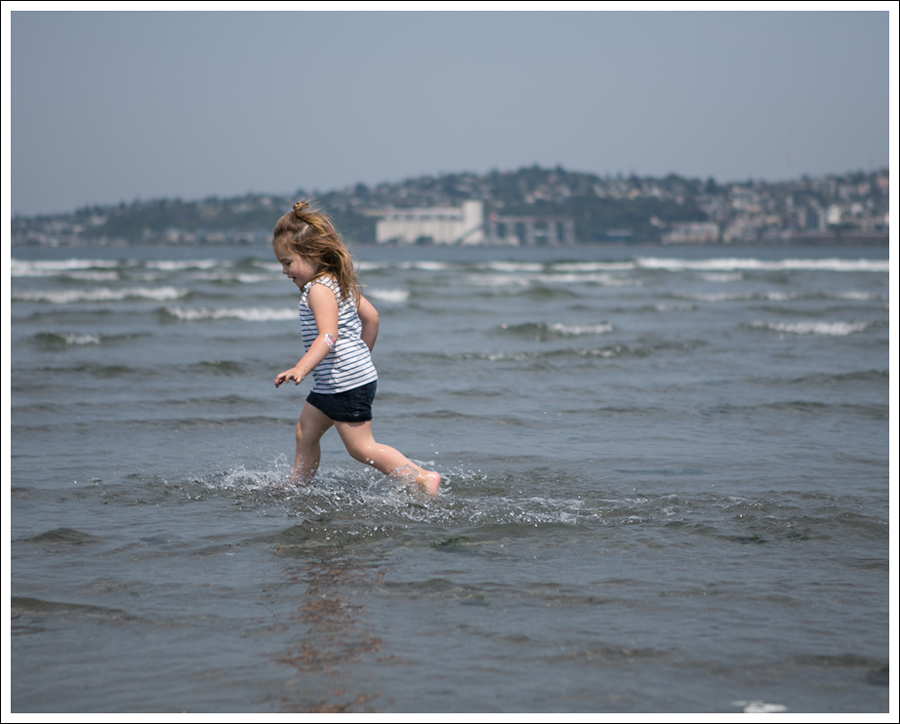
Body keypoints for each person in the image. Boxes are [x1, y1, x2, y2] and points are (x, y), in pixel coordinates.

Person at [272, 201, 441, 496]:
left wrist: (301, 367)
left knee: (361, 447)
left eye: (288, 263)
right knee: (306, 433)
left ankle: (421, 478)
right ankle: (296, 487)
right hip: (333, 382)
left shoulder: (319, 290)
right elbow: (372, 318)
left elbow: (328, 336)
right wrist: (362, 357)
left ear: (313, 254)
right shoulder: (339, 282)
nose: (285, 271)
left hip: (343, 382)